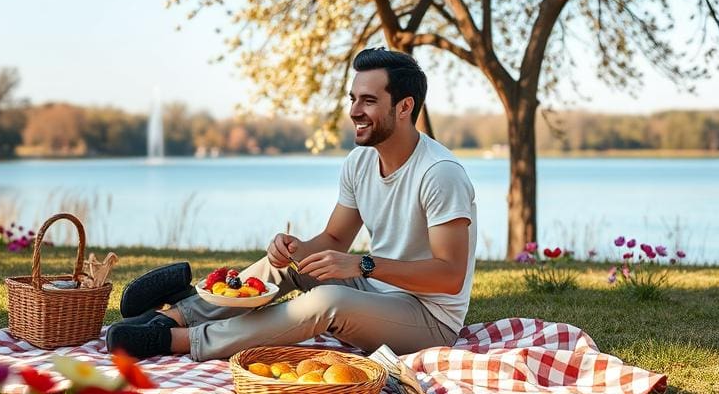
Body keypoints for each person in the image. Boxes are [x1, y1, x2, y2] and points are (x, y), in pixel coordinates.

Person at [108, 47, 477, 360]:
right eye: (353, 99)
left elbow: (449, 275)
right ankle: (176, 316)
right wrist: (292, 251)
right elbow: (335, 238)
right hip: (377, 293)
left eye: (369, 100)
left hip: (428, 318)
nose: (354, 111)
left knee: (328, 299)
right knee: (288, 266)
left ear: (404, 107)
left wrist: (363, 265)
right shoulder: (360, 162)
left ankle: (178, 341)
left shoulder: (439, 173)